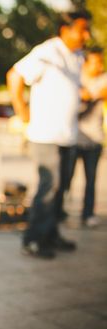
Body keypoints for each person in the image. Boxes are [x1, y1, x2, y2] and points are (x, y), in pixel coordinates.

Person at [7, 11, 90, 259]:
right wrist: (22, 110)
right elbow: (15, 75)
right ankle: (33, 239)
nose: (86, 35)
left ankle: (50, 234)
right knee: (48, 187)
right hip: (45, 135)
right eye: (82, 29)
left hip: (68, 135)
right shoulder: (47, 52)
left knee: (61, 188)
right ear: (65, 30)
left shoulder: (76, 56)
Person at [68, 48, 107, 227]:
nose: (99, 66)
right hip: (74, 137)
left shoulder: (103, 80)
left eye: (101, 62)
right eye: (95, 62)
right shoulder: (76, 78)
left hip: (95, 138)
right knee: (66, 177)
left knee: (91, 181)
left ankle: (88, 214)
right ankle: (60, 212)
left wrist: (89, 94)